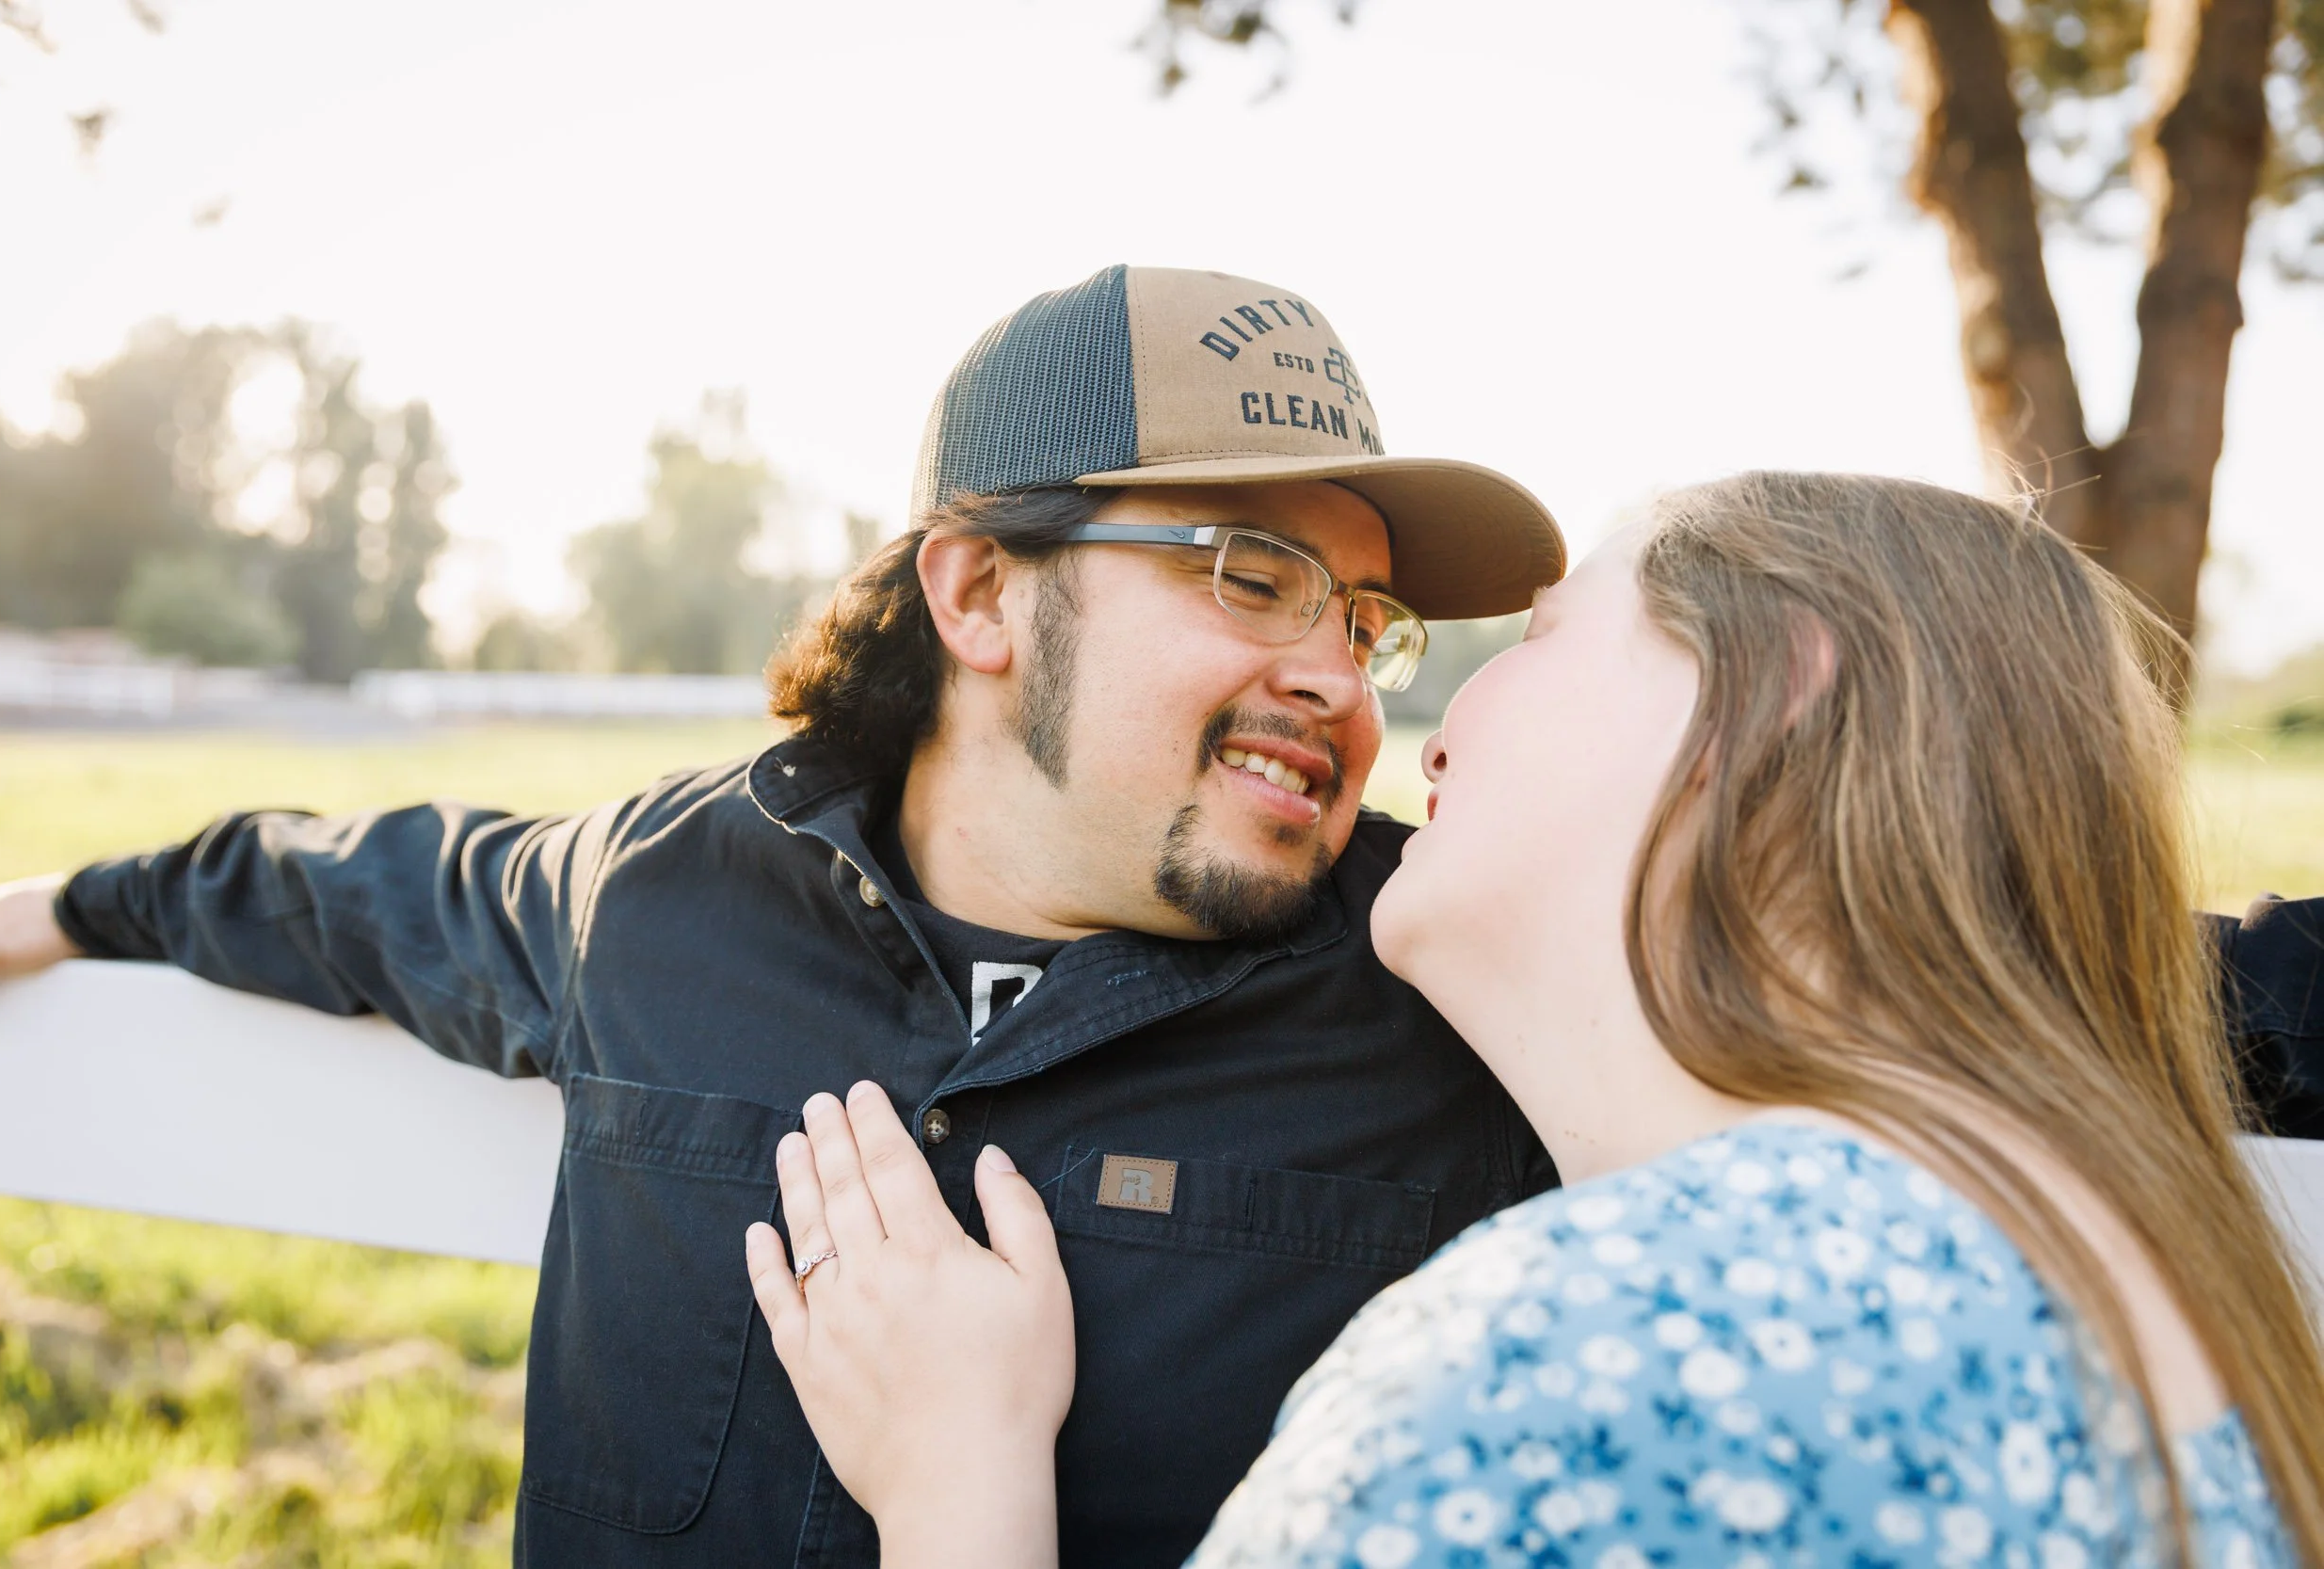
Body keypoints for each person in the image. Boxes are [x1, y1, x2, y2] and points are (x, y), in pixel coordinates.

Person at [0, 268, 2314, 1564]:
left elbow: (2000, 960)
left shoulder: (1473, 990)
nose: (1338, 666)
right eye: (1249, 568)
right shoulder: (657, 895)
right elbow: (323, 885)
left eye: (1369, 614)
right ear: (980, 591)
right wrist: (54, 909)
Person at [745, 474, 2323, 1569]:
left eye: (1547, 637)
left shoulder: (1570, 1362)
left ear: (1770, 701)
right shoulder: (2146, 1288)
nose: (1398, 717)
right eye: (1255, 581)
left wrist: (958, 1475)